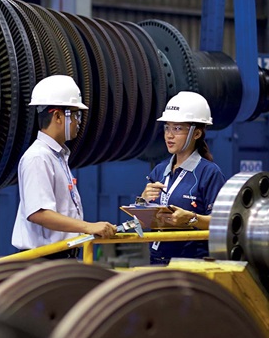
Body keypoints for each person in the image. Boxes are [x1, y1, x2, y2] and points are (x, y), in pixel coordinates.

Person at [12, 75, 116, 256]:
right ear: (58, 116)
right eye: (76, 115)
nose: (79, 122)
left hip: (60, 256)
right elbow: (39, 213)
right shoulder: (38, 158)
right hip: (44, 260)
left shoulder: (56, 156)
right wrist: (88, 227)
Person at [141, 91, 226, 265]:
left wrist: (190, 219)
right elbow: (142, 223)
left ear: (197, 134)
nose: (169, 135)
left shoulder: (209, 173)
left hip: (192, 263)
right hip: (157, 260)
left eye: (178, 128)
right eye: (167, 127)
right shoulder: (160, 170)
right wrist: (142, 202)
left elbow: (221, 224)